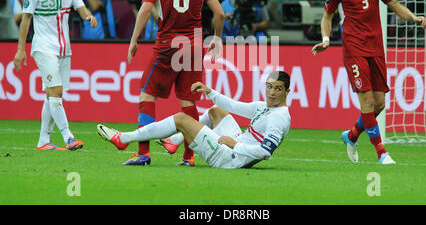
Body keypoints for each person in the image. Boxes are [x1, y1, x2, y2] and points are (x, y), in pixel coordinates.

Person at [311, 0, 426, 164]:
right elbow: (327, 16)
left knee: (379, 104)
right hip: (353, 48)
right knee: (366, 102)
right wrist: (326, 39)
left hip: (376, 47)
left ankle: (352, 135)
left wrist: (412, 17)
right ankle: (381, 153)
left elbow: (393, 4)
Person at [124, 0, 225, 166]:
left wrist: (134, 39)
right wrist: (217, 38)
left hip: (169, 44)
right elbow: (219, 13)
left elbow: (146, 9)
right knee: (188, 102)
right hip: (195, 45)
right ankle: (189, 157)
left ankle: (143, 153)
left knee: (147, 95)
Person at [97, 71, 291, 169]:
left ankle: (124, 139)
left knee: (181, 118)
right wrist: (210, 92)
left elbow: (265, 152)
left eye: (278, 89)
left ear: (287, 92)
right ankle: (174, 141)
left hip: (231, 157)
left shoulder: (279, 118)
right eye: (269, 87)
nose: (271, 93)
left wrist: (235, 145)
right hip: (236, 144)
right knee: (216, 111)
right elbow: (234, 106)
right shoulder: (265, 107)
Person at [13, 0, 97, 151]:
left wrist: (88, 15)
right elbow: (26, 20)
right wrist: (20, 49)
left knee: (52, 95)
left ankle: (43, 140)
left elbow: (80, 6)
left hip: (64, 49)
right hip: (43, 47)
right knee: (56, 91)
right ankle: (68, 136)